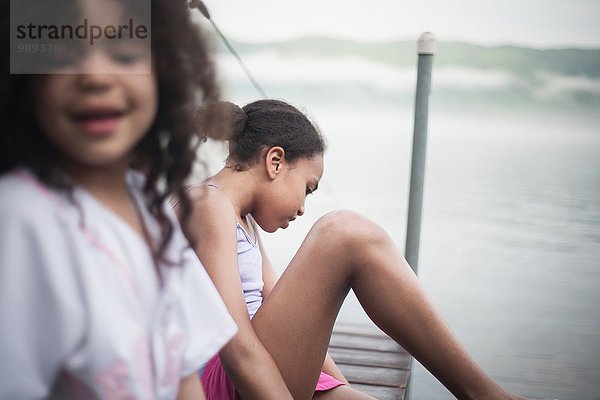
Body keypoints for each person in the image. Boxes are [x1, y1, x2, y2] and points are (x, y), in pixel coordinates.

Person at [178, 99, 535, 400]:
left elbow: (276, 306)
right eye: (308, 187)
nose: (303, 207)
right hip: (226, 380)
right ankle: (484, 394)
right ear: (275, 162)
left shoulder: (240, 218)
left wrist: (339, 387)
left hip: (263, 368)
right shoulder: (208, 204)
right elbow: (236, 348)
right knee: (344, 232)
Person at [0, 0, 237, 398]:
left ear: (164, 70)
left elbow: (183, 375)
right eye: (61, 54)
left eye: (125, 52)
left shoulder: (150, 204)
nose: (95, 75)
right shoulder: (19, 219)